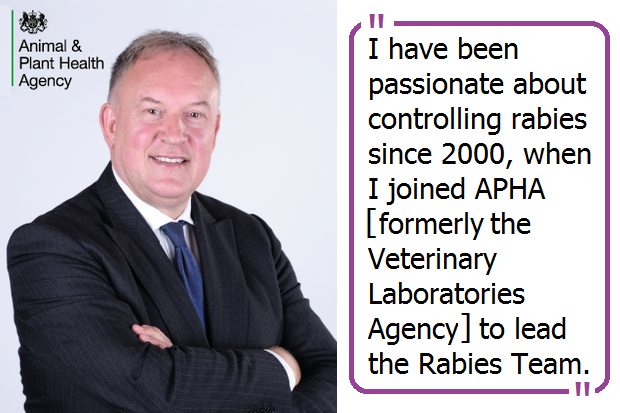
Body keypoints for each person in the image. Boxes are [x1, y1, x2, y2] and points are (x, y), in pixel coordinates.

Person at [7, 30, 336, 413]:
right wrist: (283, 365)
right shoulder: (51, 246)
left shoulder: (252, 236)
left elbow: (333, 372)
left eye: (194, 114)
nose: (175, 134)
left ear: (214, 130)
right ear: (111, 125)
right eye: (152, 111)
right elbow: (160, 390)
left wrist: (184, 370)